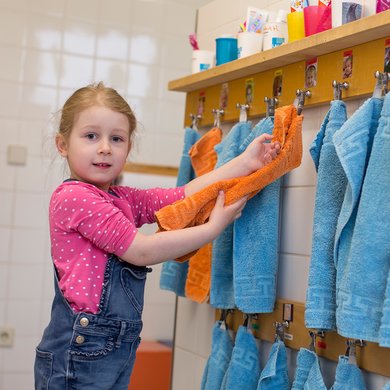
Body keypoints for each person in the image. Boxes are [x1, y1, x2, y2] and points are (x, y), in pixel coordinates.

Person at [34, 82, 280, 389]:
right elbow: (142, 251)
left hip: (110, 346)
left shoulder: (121, 198)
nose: (105, 147)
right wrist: (213, 228)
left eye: (117, 138)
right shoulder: (75, 197)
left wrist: (244, 163)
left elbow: (181, 196)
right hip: (81, 347)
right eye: (91, 136)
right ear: (62, 144)